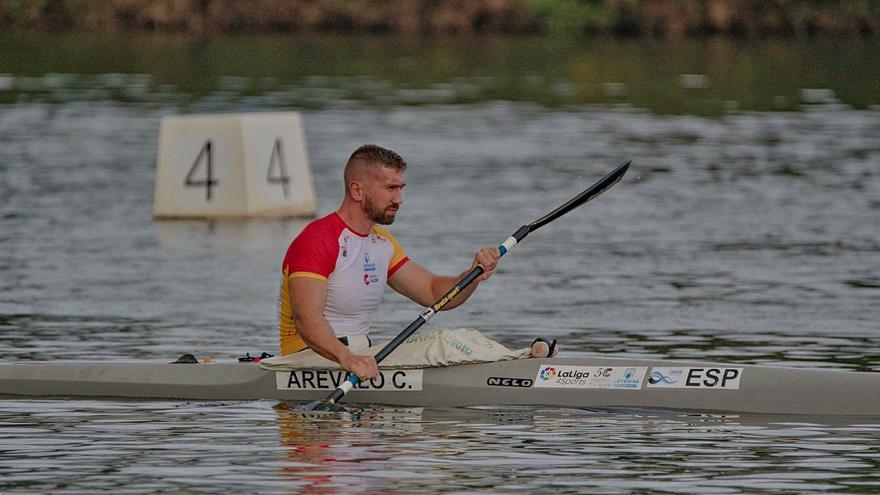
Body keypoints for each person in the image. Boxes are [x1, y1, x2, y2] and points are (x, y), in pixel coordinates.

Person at [278, 144, 500, 381]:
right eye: (390, 189)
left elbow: (433, 292)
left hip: (358, 358)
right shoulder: (318, 240)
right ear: (357, 191)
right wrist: (347, 358)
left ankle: (520, 361)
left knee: (452, 339)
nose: (399, 199)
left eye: (401, 188)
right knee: (440, 344)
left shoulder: (382, 242)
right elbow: (307, 317)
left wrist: (472, 276)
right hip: (306, 360)